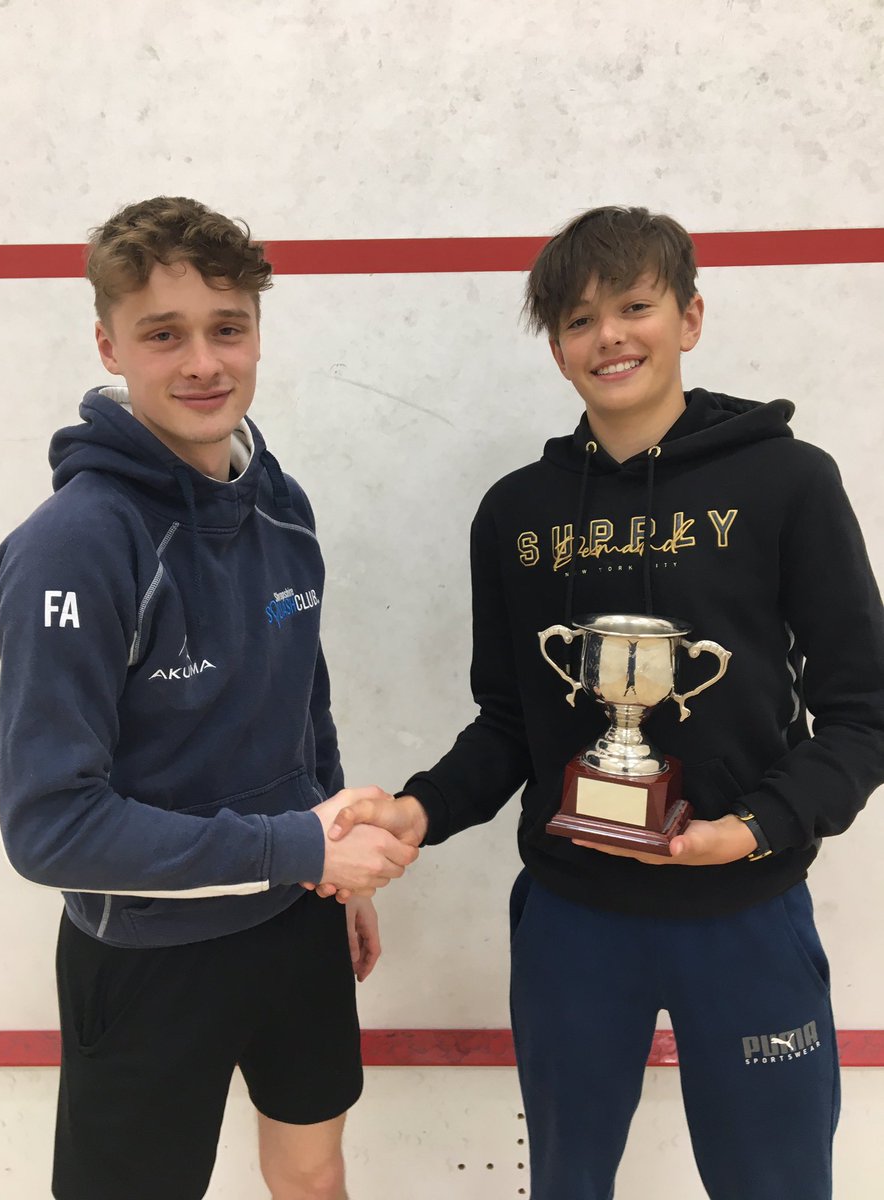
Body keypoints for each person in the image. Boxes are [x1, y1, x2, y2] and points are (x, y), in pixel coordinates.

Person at [323, 206, 884, 1199]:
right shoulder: (519, 513)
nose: (610, 336)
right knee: (568, 1185)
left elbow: (863, 709)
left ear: (691, 316)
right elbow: (508, 722)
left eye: (636, 306)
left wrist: (757, 826)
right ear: (556, 348)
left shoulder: (788, 482)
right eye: (580, 320)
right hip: (575, 925)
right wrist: (421, 809)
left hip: (746, 914)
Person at [0, 196, 417, 1200]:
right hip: (144, 958)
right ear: (109, 343)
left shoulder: (283, 504)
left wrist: (332, 862)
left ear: (258, 330)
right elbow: (50, 828)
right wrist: (300, 849)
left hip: (297, 924)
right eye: (163, 334)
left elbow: (302, 698)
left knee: (312, 1176)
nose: (203, 364)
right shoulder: (73, 545)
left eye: (227, 328)